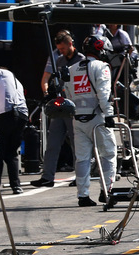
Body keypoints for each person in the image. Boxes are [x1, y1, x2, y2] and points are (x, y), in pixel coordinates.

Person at [69, 34, 117, 207]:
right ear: (100, 49)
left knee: (82, 158)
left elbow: (68, 95)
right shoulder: (102, 67)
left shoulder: (72, 69)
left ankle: (83, 195)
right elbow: (104, 94)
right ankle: (107, 191)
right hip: (98, 118)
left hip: (78, 119)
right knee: (109, 154)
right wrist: (109, 114)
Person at [31, 30, 81, 188]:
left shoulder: (82, 60)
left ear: (70, 44)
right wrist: (47, 94)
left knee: (77, 144)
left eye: (63, 48)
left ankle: (81, 176)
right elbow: (46, 78)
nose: (61, 51)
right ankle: (47, 177)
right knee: (52, 142)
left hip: (75, 106)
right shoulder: (58, 60)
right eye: (59, 49)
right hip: (61, 105)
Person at [0, 67, 30, 195]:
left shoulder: (1, 72)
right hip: (22, 115)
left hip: (5, 114)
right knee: (12, 153)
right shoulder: (17, 81)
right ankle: (16, 186)